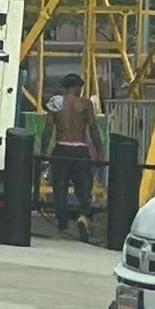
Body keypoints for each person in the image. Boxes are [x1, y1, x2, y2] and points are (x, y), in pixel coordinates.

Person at [42, 74, 102, 241]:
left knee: (59, 188)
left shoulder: (56, 102)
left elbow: (48, 130)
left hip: (61, 149)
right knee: (83, 188)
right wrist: (100, 151)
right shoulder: (85, 104)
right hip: (80, 150)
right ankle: (83, 216)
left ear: (64, 87)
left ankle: (62, 226)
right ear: (78, 87)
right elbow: (93, 129)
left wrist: (43, 150)